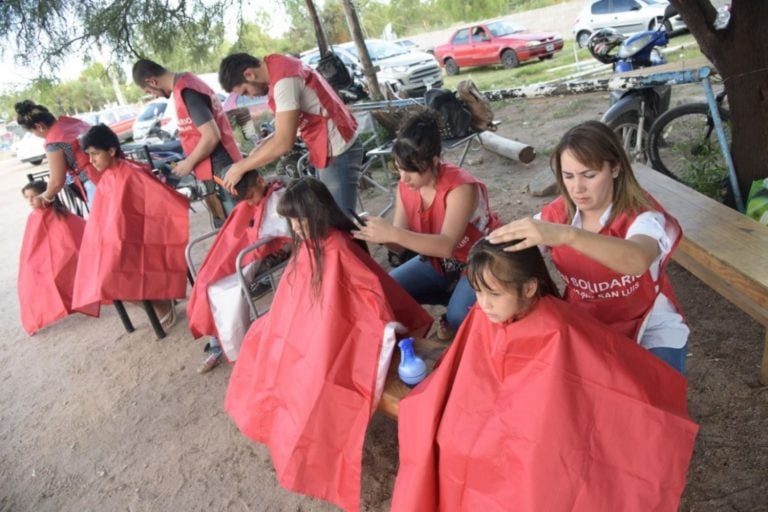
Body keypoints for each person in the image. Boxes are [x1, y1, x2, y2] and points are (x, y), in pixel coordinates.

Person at [392, 239, 699, 512]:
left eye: (494, 294)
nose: (483, 304)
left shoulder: (559, 330)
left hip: (543, 427)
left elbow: (576, 396)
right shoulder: (486, 314)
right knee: (446, 438)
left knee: (530, 473)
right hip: (494, 411)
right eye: (478, 292)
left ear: (528, 288)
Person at [224, 177, 432, 512]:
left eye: (300, 220)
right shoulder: (310, 245)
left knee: (315, 378)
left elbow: (365, 305)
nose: (295, 228)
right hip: (310, 328)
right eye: (290, 221)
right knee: (263, 343)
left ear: (319, 214)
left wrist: (315, 335)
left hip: (336, 334)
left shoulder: (338, 246)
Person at [488, 120, 689, 373]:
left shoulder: (644, 216)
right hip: (585, 320)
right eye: (568, 176)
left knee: (657, 396)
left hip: (648, 322)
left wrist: (569, 236)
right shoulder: (556, 214)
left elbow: (637, 260)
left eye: (589, 175)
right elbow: (507, 255)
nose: (577, 188)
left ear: (615, 168)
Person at [352, 110, 500, 340]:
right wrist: (376, 233)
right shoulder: (407, 186)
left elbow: (447, 245)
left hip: (479, 260)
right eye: (399, 169)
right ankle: (453, 300)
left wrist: (393, 232)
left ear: (433, 161)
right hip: (440, 263)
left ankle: (460, 310)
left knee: (460, 315)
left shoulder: (460, 187)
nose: (404, 179)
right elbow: (399, 246)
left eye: (411, 171)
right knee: (388, 292)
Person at [71, 124, 189, 328]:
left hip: (140, 240)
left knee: (106, 277)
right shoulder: (109, 176)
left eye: (95, 154)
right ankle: (156, 303)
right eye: (89, 155)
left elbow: (157, 208)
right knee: (91, 273)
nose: (91, 161)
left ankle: (161, 305)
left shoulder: (131, 173)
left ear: (111, 150)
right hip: (118, 239)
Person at [217, 52, 364, 212]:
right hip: (330, 148)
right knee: (333, 216)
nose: (250, 97)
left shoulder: (284, 80)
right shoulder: (278, 65)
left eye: (245, 91)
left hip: (338, 151)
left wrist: (241, 167)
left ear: (249, 74)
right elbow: (286, 129)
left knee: (341, 221)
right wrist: (263, 146)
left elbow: (284, 142)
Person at [186, 169, 291, 373]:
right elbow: (232, 234)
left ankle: (235, 347)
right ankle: (218, 343)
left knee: (222, 290)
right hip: (246, 253)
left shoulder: (279, 197)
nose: (250, 203)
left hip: (259, 254)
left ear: (261, 181)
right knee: (205, 282)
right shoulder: (247, 203)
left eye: (251, 197)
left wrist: (269, 249)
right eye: (245, 200)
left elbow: (284, 233)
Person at [132, 59, 243, 226]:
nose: (154, 96)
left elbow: (211, 135)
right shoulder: (186, 85)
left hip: (222, 169)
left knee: (237, 224)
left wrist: (188, 163)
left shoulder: (187, 91)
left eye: (149, 91)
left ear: (152, 81)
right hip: (217, 168)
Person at [17, 181, 99, 335]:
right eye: (27, 198)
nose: (30, 201)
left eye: (34, 197)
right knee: (29, 278)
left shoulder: (61, 214)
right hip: (42, 262)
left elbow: (76, 240)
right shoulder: (33, 217)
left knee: (58, 274)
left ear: (46, 194)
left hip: (64, 258)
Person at [14, 100, 98, 209]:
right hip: (113, 173)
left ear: (39, 126)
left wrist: (45, 197)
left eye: (32, 132)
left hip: (93, 182)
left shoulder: (54, 142)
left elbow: (57, 181)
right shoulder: (73, 123)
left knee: (104, 223)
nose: (35, 135)